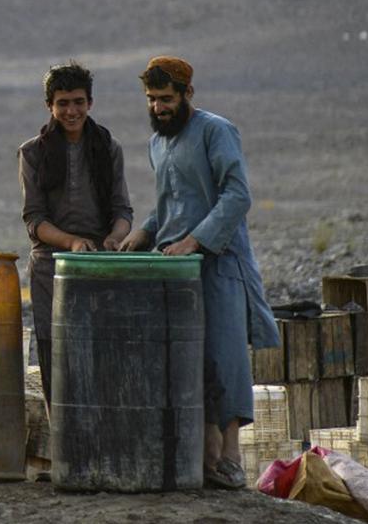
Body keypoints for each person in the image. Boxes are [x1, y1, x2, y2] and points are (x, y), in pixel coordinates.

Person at [119, 55, 280, 490]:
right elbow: (173, 204)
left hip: (219, 263)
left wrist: (195, 240)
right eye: (152, 100)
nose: (158, 108)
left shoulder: (216, 130)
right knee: (189, 361)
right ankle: (206, 459)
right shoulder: (159, 143)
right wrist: (146, 232)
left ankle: (231, 457)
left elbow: (237, 194)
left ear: (188, 94)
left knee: (224, 357)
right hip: (175, 270)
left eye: (166, 99)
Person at [18, 61, 133, 410]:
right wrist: (71, 243)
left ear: (90, 103)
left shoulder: (108, 147)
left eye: (79, 102)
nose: (72, 111)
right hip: (50, 270)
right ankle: (64, 451)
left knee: (104, 359)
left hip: (100, 268)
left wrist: (115, 238)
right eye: (63, 103)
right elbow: (34, 219)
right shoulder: (33, 153)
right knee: (59, 362)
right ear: (50, 106)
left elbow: (123, 211)